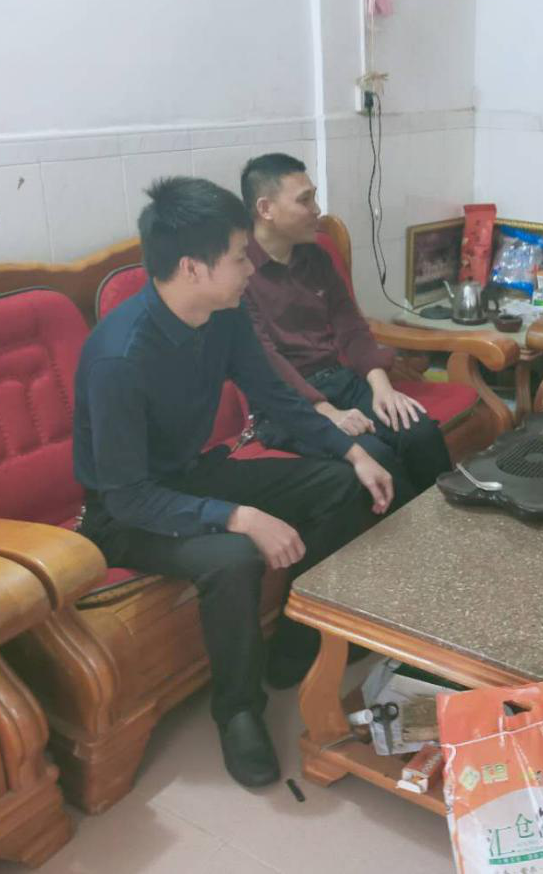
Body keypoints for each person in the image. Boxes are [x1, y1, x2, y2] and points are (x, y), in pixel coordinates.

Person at [73, 176, 394, 789]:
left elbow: (276, 395)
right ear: (192, 268)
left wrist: (353, 451)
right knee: (232, 556)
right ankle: (239, 711)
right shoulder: (119, 357)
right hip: (124, 514)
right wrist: (237, 516)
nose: (250, 268)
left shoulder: (223, 316)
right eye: (238, 257)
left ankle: (296, 642)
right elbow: (126, 495)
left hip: (193, 476)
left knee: (339, 484)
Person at [238, 152, 452, 507]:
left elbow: (350, 326)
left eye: (314, 197)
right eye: (304, 200)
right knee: (374, 454)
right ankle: (412, 539)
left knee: (419, 431)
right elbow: (265, 358)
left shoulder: (315, 256)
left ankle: (449, 526)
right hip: (285, 406)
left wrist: (382, 388)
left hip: (339, 380)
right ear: (266, 208)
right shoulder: (239, 269)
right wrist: (325, 411)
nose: (317, 209)